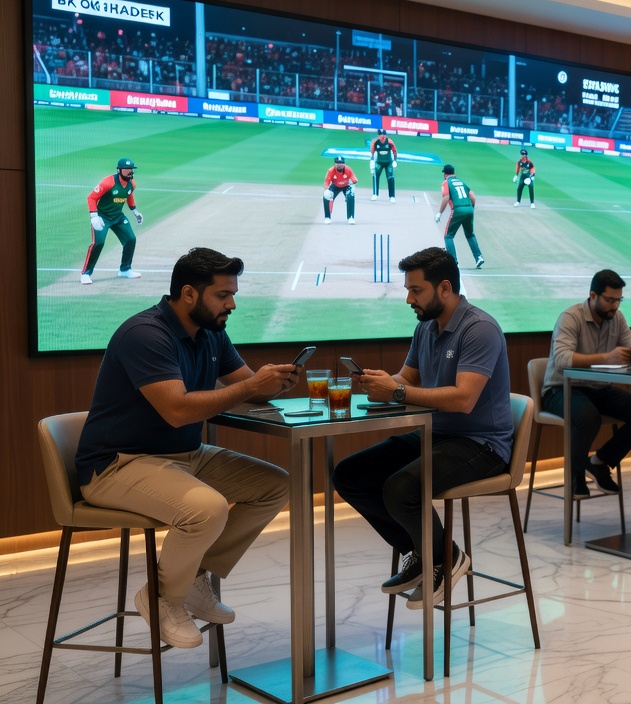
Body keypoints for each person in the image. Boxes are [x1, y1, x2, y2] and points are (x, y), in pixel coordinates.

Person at [74, 247, 294, 649]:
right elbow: (176, 410)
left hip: (183, 458)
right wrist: (250, 387)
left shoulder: (212, 333)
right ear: (189, 294)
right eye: (223, 295)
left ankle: (193, 578)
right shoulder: (145, 334)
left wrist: (273, 383)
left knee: (276, 485)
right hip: (117, 465)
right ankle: (163, 598)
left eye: (233, 294)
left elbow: (244, 387)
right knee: (205, 510)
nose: (232, 303)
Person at [333, 247, 514, 608]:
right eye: (408, 289)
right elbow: (407, 380)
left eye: (416, 290)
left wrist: (398, 390)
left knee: (401, 489)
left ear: (444, 288)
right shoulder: (426, 328)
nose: (408, 299)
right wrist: (382, 385)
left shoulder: (480, 329)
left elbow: (464, 399)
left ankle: (441, 558)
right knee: (349, 475)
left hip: (483, 445)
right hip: (437, 435)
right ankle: (427, 551)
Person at [542, 269, 631, 498]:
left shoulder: (617, 318)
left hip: (599, 388)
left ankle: (599, 461)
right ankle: (575, 476)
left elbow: (629, 347)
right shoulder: (570, 317)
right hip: (561, 388)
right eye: (610, 300)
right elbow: (562, 360)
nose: (615, 306)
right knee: (588, 417)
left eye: (619, 300)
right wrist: (607, 358)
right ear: (593, 295)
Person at [80, 157, 145, 284]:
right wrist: (94, 216)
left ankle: (125, 269)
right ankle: (86, 274)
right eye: (127, 169)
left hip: (118, 217)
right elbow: (91, 198)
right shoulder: (108, 182)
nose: (130, 171)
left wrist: (135, 211)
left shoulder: (132, 183)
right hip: (102, 217)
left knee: (131, 239)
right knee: (98, 243)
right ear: (119, 170)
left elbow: (129, 195)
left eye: (131, 169)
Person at [434, 164, 485, 269]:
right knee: (470, 234)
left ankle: (453, 261)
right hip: (469, 208)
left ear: (445, 174)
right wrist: (471, 209)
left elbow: (446, 197)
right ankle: (479, 257)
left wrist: (439, 212)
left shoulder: (446, 182)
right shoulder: (461, 182)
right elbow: (472, 196)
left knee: (448, 236)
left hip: (458, 209)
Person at [322, 155, 358, 224]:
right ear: (335, 164)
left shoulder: (348, 169)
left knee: (351, 194)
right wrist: (326, 189)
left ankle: (350, 217)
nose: (339, 165)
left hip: (346, 186)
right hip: (335, 186)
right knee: (326, 195)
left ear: (344, 164)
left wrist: (354, 183)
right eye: (337, 163)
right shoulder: (331, 171)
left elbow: (354, 178)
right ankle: (327, 217)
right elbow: (326, 181)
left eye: (341, 163)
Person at [369, 128, 397, 201]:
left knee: (390, 177)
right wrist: (372, 163)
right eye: (381, 134)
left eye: (384, 134)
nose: (382, 136)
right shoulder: (375, 142)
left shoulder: (390, 142)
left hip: (388, 162)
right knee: (375, 176)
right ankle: (375, 194)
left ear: (386, 135)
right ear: (379, 135)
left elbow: (394, 152)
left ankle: (392, 196)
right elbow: (372, 153)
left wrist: (395, 160)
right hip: (379, 162)